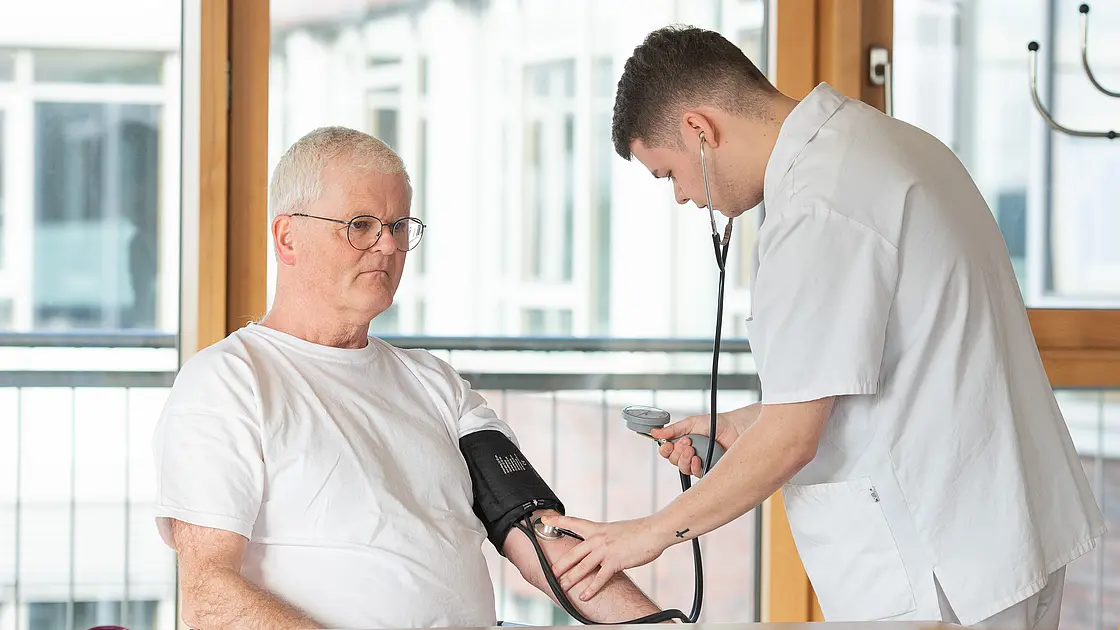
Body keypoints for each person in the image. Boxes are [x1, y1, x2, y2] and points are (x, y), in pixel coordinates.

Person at [541, 25, 1106, 630]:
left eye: (669, 174)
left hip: (941, 567)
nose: (681, 198)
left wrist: (646, 535)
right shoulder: (878, 145)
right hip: (993, 544)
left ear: (700, 132)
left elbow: (792, 437)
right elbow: (879, 370)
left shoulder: (818, 207)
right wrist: (739, 425)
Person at [151, 126, 661, 629]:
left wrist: (659, 628)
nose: (388, 246)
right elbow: (209, 596)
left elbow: (536, 535)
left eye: (398, 226)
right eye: (361, 225)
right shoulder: (228, 382)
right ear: (288, 238)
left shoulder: (435, 384)